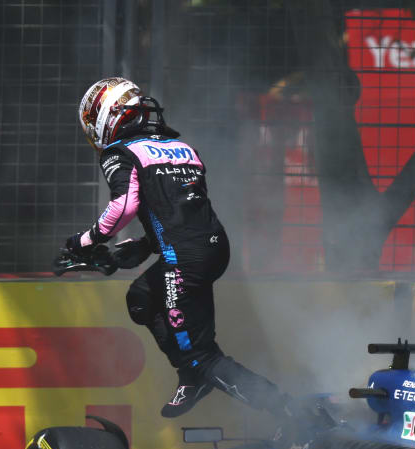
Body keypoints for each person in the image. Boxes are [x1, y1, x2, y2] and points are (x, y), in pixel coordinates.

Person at [60, 76, 291, 419]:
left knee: (203, 356)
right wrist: (144, 245)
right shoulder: (183, 148)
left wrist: (83, 241)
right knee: (140, 298)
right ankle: (190, 374)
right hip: (212, 248)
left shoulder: (120, 152)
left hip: (183, 259)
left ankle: (288, 412)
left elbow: (124, 207)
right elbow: (182, 210)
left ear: (106, 117)